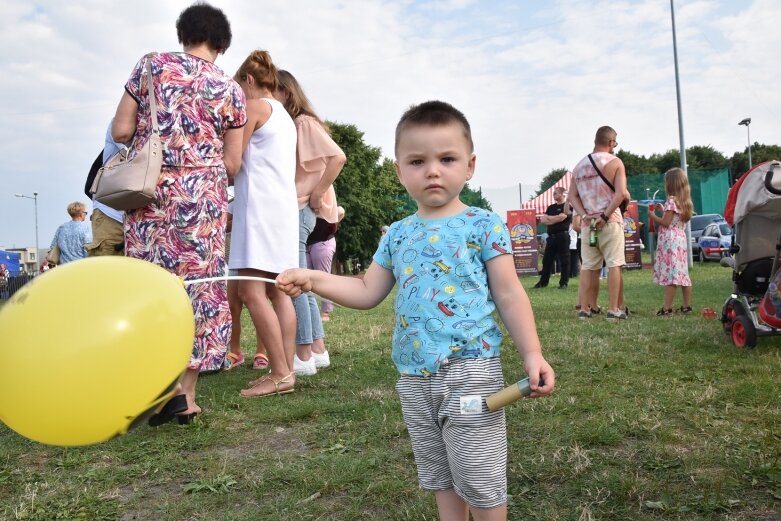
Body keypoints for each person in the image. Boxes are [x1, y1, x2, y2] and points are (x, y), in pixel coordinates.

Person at [277, 100, 555, 520]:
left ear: (470, 165)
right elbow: (368, 289)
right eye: (417, 160)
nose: (432, 170)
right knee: (439, 477)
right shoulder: (397, 234)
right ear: (399, 170)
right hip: (414, 378)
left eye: (447, 159)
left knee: (480, 479)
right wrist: (314, 279)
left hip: (471, 372)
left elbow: (510, 293)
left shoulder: (484, 225)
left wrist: (532, 353)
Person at [111, 2, 247, 422]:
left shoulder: (150, 67)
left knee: (152, 286)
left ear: (182, 34)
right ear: (221, 45)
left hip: (151, 194)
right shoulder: (230, 89)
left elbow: (120, 130)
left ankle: (159, 385)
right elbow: (234, 164)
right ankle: (185, 396)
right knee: (200, 289)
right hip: (202, 199)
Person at [229, 50, 299, 397]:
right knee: (278, 290)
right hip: (281, 210)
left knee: (250, 290)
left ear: (249, 81)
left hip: (258, 210)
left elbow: (232, 162)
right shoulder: (285, 116)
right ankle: (283, 368)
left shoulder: (255, 108)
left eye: (237, 87)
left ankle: (281, 373)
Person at [275, 69, 346, 375]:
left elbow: (338, 157)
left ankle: (303, 355)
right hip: (302, 207)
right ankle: (316, 349)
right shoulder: (298, 124)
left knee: (295, 280)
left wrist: (317, 192)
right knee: (302, 278)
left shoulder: (303, 122)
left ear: (286, 93)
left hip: (301, 206)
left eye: (272, 92)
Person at [568, 126, 629, 321]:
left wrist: (585, 215)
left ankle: (584, 309)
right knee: (614, 264)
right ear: (611, 142)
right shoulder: (616, 162)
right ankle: (614, 309)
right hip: (609, 222)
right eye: (615, 143)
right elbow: (620, 194)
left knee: (588, 266)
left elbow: (571, 197)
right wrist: (604, 216)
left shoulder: (579, 166)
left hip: (589, 225)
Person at [650, 167, 693, 315]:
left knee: (671, 275)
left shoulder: (671, 200)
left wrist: (652, 215)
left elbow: (666, 222)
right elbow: (674, 219)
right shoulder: (685, 201)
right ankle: (686, 306)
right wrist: (664, 210)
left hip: (670, 241)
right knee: (682, 274)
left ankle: (667, 308)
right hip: (680, 239)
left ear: (671, 184)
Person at [85, 122, 126, 257]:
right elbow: (135, 148)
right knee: (108, 272)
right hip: (112, 214)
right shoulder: (121, 123)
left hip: (143, 215)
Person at [307, 206, 345, 322]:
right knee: (305, 280)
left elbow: (341, 211)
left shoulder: (325, 203)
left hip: (323, 242)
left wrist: (326, 217)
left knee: (323, 278)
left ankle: (325, 312)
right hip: (305, 244)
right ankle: (309, 311)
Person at [532, 186, 571, 289]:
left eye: (555, 193)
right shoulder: (550, 207)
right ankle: (543, 282)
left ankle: (563, 283)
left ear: (562, 194)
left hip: (562, 235)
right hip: (551, 237)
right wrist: (556, 218)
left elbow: (563, 217)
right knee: (547, 260)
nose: (553, 195)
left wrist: (551, 219)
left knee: (564, 260)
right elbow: (544, 220)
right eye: (553, 193)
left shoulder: (567, 206)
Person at [569, 211, 581, 278]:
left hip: (569, 245)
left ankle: (570, 273)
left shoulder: (568, 227)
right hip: (575, 244)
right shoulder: (575, 226)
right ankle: (575, 273)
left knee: (570, 261)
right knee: (575, 260)